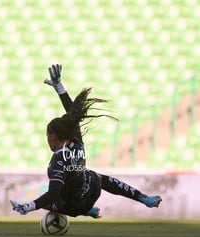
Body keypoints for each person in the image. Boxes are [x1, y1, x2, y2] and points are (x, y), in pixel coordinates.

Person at [11, 64, 162, 218]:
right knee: (97, 177)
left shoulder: (59, 159)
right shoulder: (75, 140)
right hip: (93, 189)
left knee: (46, 200)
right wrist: (59, 87)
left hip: (75, 207)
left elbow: (53, 194)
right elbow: (73, 114)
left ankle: (85, 211)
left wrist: (29, 206)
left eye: (47, 136)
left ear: (52, 136)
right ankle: (144, 198)